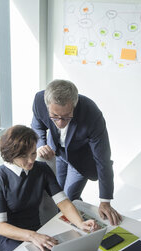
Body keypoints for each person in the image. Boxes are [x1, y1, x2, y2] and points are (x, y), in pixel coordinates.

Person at [0, 125, 96, 251]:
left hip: (37, 232)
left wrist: (80, 223)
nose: (30, 161)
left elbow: (63, 202)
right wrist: (32, 236)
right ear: (11, 155)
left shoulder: (41, 169)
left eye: (33, 153)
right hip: (8, 239)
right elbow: (0, 226)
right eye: (23, 156)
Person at [31, 79, 122, 226]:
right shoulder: (39, 101)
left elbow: (103, 159)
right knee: (58, 198)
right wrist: (41, 144)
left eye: (66, 117)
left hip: (81, 159)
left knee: (69, 198)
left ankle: (81, 228)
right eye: (55, 116)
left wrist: (105, 201)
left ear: (74, 104)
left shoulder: (92, 114)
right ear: (47, 105)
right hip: (57, 153)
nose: (60, 123)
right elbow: (37, 126)